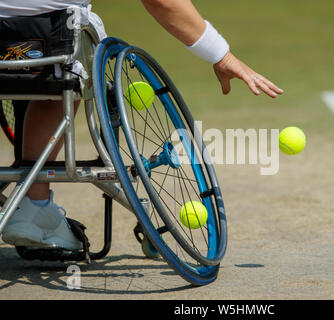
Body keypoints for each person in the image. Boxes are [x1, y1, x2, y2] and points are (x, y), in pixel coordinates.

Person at [1, 0, 283, 251]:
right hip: (46, 42)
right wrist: (222, 55)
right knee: (60, 82)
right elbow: (162, 2)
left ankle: (35, 204)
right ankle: (34, 205)